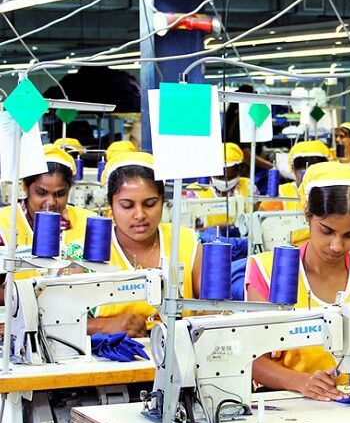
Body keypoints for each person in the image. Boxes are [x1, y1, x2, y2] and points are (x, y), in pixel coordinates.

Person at [245, 162, 350, 401]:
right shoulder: (268, 271)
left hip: (348, 401)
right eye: (327, 231)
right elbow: (253, 360)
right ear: (307, 215)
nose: (337, 246)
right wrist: (302, 382)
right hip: (282, 400)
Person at [87, 151, 202, 338]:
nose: (139, 215)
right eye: (127, 205)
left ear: (163, 201)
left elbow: (215, 308)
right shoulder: (87, 251)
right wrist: (103, 326)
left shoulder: (187, 242)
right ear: (111, 204)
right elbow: (56, 321)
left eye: (150, 204)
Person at [0, 144, 94, 287]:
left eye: (60, 194)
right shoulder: (3, 223)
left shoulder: (88, 222)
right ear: (25, 187)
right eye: (41, 193)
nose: (50, 202)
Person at [186, 142, 254, 230]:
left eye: (230, 176)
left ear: (240, 170)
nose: (225, 180)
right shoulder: (195, 191)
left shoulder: (249, 186)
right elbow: (187, 228)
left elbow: (256, 217)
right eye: (220, 176)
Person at [260, 140, 332, 212]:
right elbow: (260, 216)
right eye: (303, 172)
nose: (308, 178)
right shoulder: (281, 194)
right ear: (293, 169)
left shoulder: (333, 194)